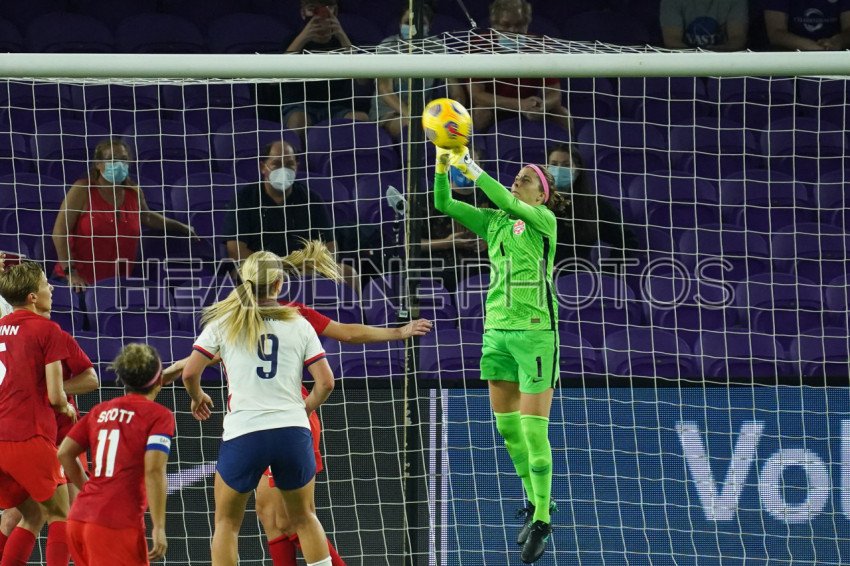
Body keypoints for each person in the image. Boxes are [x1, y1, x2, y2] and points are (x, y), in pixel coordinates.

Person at [163, 240, 433, 566]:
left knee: (273, 518)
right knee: (273, 513)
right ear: (278, 282)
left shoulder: (243, 319)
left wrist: (398, 332)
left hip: (266, 421)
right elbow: (320, 374)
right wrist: (178, 367)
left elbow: (345, 333)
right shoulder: (289, 321)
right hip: (291, 423)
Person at [434, 146, 559, 563]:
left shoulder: (543, 220)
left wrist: (470, 166)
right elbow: (444, 203)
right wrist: (443, 164)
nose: (517, 181)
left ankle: (542, 518)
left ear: (541, 195)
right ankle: (534, 500)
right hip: (496, 335)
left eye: (526, 179)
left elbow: (506, 199)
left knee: (534, 432)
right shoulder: (495, 223)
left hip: (535, 336)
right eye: (516, 176)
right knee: (508, 430)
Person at [181, 250, 337, 566]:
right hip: (291, 431)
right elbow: (326, 383)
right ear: (279, 284)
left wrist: (197, 396)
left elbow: (189, 373)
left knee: (226, 523)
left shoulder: (224, 321)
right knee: (305, 518)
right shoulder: (298, 322)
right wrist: (303, 409)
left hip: (245, 433)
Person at [0, 254, 98, 565]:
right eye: (46, 284)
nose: (51, 288)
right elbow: (56, 396)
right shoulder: (47, 330)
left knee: (30, 514)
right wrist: (64, 407)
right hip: (30, 435)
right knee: (62, 514)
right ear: (32, 296)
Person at [58, 343, 173, 566]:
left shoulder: (100, 410)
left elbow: (64, 453)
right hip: (114, 525)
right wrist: (159, 527)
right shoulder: (159, 415)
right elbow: (154, 470)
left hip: (79, 518)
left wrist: (88, 489)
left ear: (122, 379)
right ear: (159, 380)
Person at [52, 137, 196, 291]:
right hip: (78, 283)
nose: (119, 164)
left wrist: (181, 227)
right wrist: (71, 273)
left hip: (117, 284)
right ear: (98, 164)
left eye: (123, 160)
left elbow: (147, 216)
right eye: (112, 159)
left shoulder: (133, 193)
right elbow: (59, 232)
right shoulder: (82, 189)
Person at [223, 140, 359, 290]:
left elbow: (330, 246)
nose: (283, 170)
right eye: (276, 164)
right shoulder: (245, 199)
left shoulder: (311, 199)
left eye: (289, 164)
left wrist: (313, 266)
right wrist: (275, 268)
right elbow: (235, 250)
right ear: (263, 167)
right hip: (261, 269)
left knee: (349, 274)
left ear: (296, 167)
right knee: (241, 274)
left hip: (304, 269)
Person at [257, 0, 369, 131]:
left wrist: (340, 34)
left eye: (326, 8)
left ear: (335, 11)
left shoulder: (347, 41)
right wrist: (303, 37)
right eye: (312, 9)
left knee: (361, 118)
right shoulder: (291, 40)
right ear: (303, 13)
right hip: (300, 106)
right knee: (298, 120)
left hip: (338, 107)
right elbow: (274, 81)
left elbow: (362, 80)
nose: (319, 15)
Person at [464, 0, 571, 134]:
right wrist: (520, 105)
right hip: (494, 106)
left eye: (519, 25)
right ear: (494, 25)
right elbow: (477, 96)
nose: (513, 31)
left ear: (527, 24)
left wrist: (542, 106)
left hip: (530, 107)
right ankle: (473, 146)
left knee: (562, 114)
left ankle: (570, 146)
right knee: (480, 112)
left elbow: (554, 93)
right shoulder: (478, 45)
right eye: (506, 25)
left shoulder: (540, 45)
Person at [547, 144, 638, 268]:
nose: (558, 170)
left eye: (566, 165)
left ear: (577, 170)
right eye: (554, 164)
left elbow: (628, 241)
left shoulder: (593, 204)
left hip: (578, 276)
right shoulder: (533, 203)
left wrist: (607, 272)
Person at [421, 149, 489, 292]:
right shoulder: (429, 199)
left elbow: (507, 235)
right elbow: (412, 244)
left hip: (484, 270)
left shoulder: (489, 197)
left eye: (471, 164)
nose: (465, 168)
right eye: (460, 163)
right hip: (443, 272)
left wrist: (488, 241)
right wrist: (448, 243)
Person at [370, 5, 436, 139]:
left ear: (429, 26)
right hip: (389, 113)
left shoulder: (437, 47)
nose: (414, 28)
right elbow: (385, 90)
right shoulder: (387, 47)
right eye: (408, 23)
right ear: (400, 24)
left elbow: (455, 91)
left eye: (421, 23)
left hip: (427, 113)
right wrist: (414, 117)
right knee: (412, 127)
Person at [660, 0, 748, 50]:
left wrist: (714, 56)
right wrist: (699, 58)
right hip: (684, 64)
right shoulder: (671, 1)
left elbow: (737, 38)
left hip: (725, 63)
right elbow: (672, 40)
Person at [764, 0, 850, 50]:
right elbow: (775, 33)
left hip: (836, 57)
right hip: (789, 59)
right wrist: (812, 47)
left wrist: (838, 41)